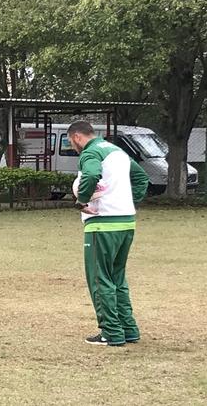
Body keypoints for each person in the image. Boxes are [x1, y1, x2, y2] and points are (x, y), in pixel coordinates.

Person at [67, 120, 149, 346]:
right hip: (126, 223)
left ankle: (111, 332)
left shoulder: (90, 153)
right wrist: (128, 203)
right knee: (117, 278)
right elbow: (142, 178)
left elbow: (91, 175)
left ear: (76, 137)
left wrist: (81, 201)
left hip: (102, 225)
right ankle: (129, 329)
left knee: (99, 278)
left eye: (70, 142)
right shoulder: (117, 152)